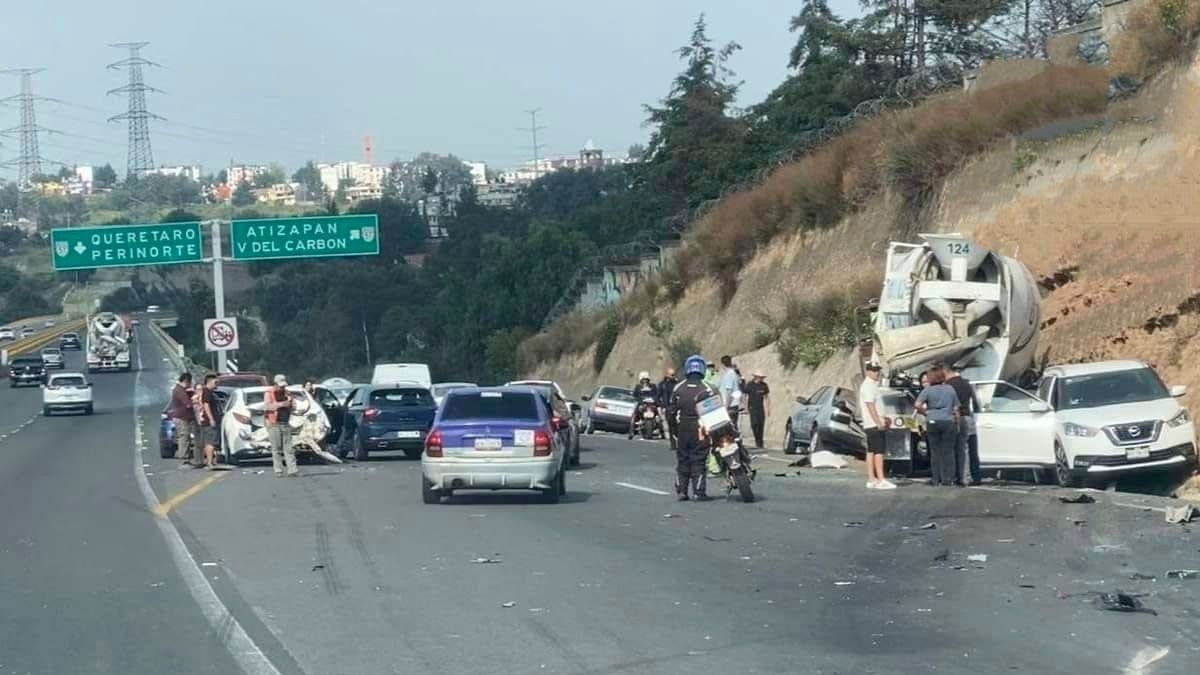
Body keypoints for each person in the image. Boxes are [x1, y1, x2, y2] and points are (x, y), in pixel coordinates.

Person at [669, 355, 717, 501]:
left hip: (682, 427)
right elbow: (714, 411)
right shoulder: (707, 388)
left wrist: (674, 432)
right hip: (700, 428)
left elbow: (670, 412)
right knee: (699, 459)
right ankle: (698, 492)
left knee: (683, 459)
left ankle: (682, 491)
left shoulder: (679, 388)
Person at [914, 365, 961, 487]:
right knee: (948, 451)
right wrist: (958, 422)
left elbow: (917, 404)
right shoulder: (950, 389)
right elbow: (956, 408)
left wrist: (925, 412)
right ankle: (948, 479)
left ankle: (936, 479)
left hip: (932, 421)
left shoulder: (928, 390)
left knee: (935, 452)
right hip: (948, 421)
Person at [859, 364, 897, 490]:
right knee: (879, 451)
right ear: (868, 371)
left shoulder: (871, 385)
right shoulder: (868, 386)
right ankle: (881, 479)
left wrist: (883, 418)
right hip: (874, 424)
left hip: (871, 423)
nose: (877, 373)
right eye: (874, 371)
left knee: (871, 451)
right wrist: (878, 422)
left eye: (878, 370)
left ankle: (872, 478)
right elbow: (870, 405)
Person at [945, 366, 983, 486]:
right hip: (968, 417)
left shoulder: (947, 386)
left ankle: (961, 476)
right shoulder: (967, 384)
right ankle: (976, 476)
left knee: (959, 449)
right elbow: (976, 403)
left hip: (955, 418)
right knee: (972, 448)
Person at [265, 374, 298, 477]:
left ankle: (292, 470)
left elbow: (294, 407)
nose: (282, 387)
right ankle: (278, 470)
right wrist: (281, 404)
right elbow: (267, 406)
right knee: (276, 448)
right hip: (274, 423)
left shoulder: (287, 393)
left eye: (284, 386)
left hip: (285, 422)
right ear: (275, 384)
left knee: (289, 448)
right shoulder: (269, 393)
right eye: (280, 386)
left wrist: (291, 403)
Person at [193, 373, 219, 469]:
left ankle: (210, 461)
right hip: (208, 422)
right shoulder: (207, 392)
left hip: (207, 421)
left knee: (210, 442)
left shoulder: (208, 392)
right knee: (210, 442)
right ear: (210, 382)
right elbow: (206, 405)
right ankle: (209, 462)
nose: (217, 384)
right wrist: (211, 419)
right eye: (215, 382)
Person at [169, 373, 196, 465]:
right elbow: (187, 403)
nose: (190, 384)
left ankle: (184, 454)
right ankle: (184, 455)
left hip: (180, 416)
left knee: (184, 436)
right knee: (184, 436)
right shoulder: (179, 391)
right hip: (181, 417)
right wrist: (194, 402)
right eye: (190, 382)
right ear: (186, 381)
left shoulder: (179, 389)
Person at [743, 371, 772, 449]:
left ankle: (760, 442)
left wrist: (768, 408)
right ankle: (757, 439)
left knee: (760, 425)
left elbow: (766, 397)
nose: (762, 379)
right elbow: (745, 396)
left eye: (762, 377)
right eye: (760, 377)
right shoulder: (750, 385)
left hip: (760, 408)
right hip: (752, 408)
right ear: (756, 377)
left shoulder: (764, 386)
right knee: (754, 424)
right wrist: (745, 407)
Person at [628, 371, 659, 440]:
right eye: (644, 379)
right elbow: (635, 395)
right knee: (634, 415)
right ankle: (631, 431)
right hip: (642, 405)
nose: (645, 381)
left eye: (646, 379)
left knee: (660, 415)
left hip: (652, 405)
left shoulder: (653, 386)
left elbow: (657, 395)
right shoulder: (638, 387)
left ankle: (662, 431)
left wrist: (656, 400)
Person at [656, 367, 680, 449]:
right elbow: (658, 396)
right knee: (671, 426)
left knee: (678, 425)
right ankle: (673, 444)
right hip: (667, 407)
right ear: (667, 375)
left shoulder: (677, 383)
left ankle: (679, 441)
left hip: (677, 407)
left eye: (674, 374)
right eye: (671, 375)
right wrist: (661, 405)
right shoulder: (662, 384)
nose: (673, 376)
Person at [718, 355, 742, 430]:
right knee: (733, 427)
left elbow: (729, 392)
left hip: (730, 406)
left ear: (722, 364)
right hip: (733, 405)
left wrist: (725, 407)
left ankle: (737, 441)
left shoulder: (729, 374)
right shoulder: (732, 373)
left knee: (730, 429)